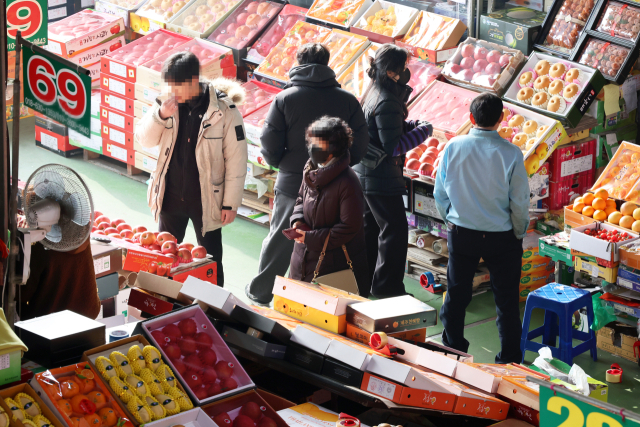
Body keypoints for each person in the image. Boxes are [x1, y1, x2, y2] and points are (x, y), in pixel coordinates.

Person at [246, 43, 369, 305]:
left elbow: (269, 140)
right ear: (327, 63)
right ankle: (326, 301)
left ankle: (262, 291)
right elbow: (360, 143)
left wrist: (285, 164)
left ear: (298, 62)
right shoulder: (347, 100)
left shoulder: (285, 98)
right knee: (330, 244)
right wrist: (340, 167)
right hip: (338, 184)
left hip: (293, 181)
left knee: (284, 235)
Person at [135, 52, 248, 288]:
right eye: (170, 85)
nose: (173, 91)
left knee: (211, 260)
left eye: (178, 85)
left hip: (206, 198)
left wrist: (230, 203)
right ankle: (161, 300)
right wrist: (160, 115)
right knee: (163, 256)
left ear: (194, 80)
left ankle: (214, 310)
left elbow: (237, 159)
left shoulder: (224, 110)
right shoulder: (166, 103)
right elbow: (143, 139)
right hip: (170, 194)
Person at [434, 92, 530, 364]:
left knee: (456, 294)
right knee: (507, 301)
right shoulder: (511, 153)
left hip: (462, 233)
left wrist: (450, 220)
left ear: (471, 118)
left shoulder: (453, 147)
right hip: (502, 237)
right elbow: (520, 201)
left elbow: (440, 194)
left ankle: (453, 350)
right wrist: (519, 231)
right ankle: (509, 360)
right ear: (501, 119)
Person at [354, 44, 432, 298]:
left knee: (371, 229)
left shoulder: (374, 91)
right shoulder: (387, 99)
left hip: (366, 173)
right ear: (391, 72)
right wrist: (422, 132)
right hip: (379, 177)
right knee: (395, 230)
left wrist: (410, 125)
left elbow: (385, 128)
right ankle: (388, 288)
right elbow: (394, 146)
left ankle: (364, 283)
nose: (406, 72)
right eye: (403, 68)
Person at [288, 117, 369, 295]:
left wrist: (311, 238)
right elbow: (301, 198)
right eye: (311, 142)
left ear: (334, 149)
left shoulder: (348, 182)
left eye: (318, 144)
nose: (312, 148)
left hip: (332, 264)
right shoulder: (311, 170)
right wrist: (298, 221)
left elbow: (349, 227)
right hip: (302, 257)